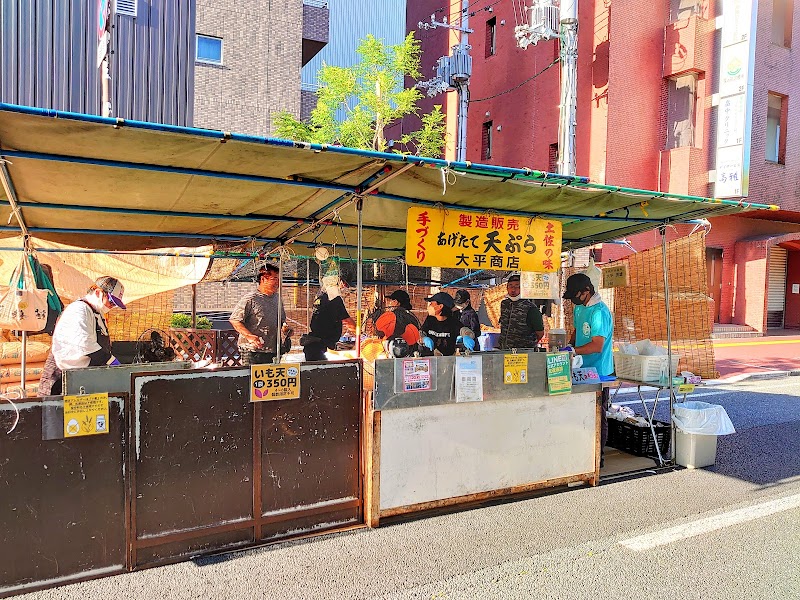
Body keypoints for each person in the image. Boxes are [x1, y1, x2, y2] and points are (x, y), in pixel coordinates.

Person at [39, 276, 127, 396]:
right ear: (98, 292)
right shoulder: (79, 310)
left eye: (115, 304)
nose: (112, 306)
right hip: (61, 379)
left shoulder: (97, 313)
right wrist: (112, 362)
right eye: (111, 301)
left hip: (80, 377)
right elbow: (85, 344)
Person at [562, 272, 614, 467]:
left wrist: (574, 350)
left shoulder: (599, 312)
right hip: (582, 369)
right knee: (580, 411)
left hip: (599, 370)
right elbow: (577, 330)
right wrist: (568, 346)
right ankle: (582, 451)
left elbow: (597, 345)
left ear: (587, 291)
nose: (574, 301)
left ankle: (597, 456)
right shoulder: (580, 308)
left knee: (597, 414)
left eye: (577, 296)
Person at [229, 264, 287, 366]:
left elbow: (282, 321)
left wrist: (286, 328)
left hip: (273, 349)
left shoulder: (278, 298)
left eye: (279, 279)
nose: (278, 283)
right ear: (263, 279)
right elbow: (235, 320)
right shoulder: (250, 298)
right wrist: (249, 336)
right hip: (251, 350)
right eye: (275, 279)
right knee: (251, 380)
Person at [302, 278, 356, 361]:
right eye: (345, 285)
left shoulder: (321, 295)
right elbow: (348, 322)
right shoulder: (334, 299)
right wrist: (360, 334)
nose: (345, 288)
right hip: (317, 346)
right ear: (339, 282)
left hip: (315, 345)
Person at [498, 273, 544, 350]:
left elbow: (540, 333)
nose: (513, 289)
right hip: (504, 350)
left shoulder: (531, 308)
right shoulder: (504, 304)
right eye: (511, 286)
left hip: (523, 352)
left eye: (517, 286)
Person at [420, 291, 462, 356]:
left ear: (440, 306)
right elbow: (421, 332)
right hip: (429, 359)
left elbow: (464, 330)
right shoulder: (430, 319)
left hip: (446, 360)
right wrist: (424, 338)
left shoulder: (453, 322)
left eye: (432, 303)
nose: (429, 306)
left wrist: (467, 336)